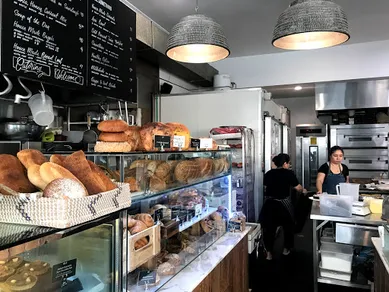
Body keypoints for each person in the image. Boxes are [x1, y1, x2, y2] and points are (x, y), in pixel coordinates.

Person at [261, 153, 305, 261]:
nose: (289, 165)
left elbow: (265, 187)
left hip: (269, 204)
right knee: (288, 226)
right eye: (288, 163)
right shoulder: (289, 174)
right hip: (283, 205)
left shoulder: (269, 173)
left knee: (269, 228)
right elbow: (298, 188)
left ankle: (269, 253)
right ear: (285, 163)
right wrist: (304, 190)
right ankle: (286, 249)